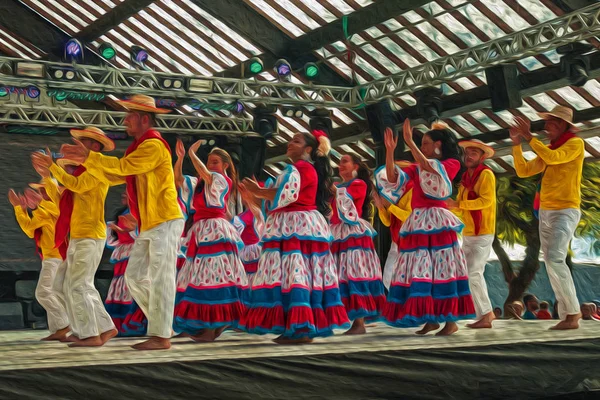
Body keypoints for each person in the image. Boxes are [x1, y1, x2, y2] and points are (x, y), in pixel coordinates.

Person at [60, 95, 184, 350]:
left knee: (161, 276)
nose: (125, 120)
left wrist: (89, 159)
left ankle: (161, 336)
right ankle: (164, 327)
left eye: (130, 115)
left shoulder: (153, 146)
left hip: (166, 218)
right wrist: (87, 161)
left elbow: (123, 168)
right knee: (135, 276)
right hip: (152, 223)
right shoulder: (139, 147)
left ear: (144, 119)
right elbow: (117, 173)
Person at [239, 130, 350, 344]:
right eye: (291, 139)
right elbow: (283, 193)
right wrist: (258, 193)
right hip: (293, 223)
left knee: (295, 273)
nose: (290, 143)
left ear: (308, 149)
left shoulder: (303, 168)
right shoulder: (298, 168)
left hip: (296, 224)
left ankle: (302, 328)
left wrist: (258, 192)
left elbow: (287, 194)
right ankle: (298, 326)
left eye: (296, 141)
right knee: (294, 274)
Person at [375, 120, 475, 336]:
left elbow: (431, 167)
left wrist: (410, 142)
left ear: (439, 145)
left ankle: (450, 320)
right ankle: (430, 318)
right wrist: (390, 152)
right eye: (422, 144)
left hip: (437, 221)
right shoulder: (418, 166)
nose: (423, 147)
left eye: (426, 144)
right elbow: (392, 178)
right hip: (419, 221)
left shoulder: (451, 163)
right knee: (421, 270)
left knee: (443, 269)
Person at [31, 128, 118, 347]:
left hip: (89, 235)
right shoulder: (85, 172)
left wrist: (52, 167)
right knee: (73, 284)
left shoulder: (97, 170)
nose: (77, 146)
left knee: (77, 284)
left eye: (83, 143)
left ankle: (90, 334)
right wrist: (46, 174)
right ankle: (105, 328)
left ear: (95, 147)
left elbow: (75, 185)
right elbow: (62, 193)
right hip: (82, 235)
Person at [510, 105, 584, 330]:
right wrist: (516, 145)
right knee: (551, 262)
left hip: (565, 210)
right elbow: (523, 171)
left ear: (563, 125)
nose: (546, 129)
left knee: (554, 259)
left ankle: (573, 313)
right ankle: (567, 314)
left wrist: (530, 138)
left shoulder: (575, 144)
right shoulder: (550, 148)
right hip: (546, 211)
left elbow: (552, 157)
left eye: (550, 124)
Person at [173, 143, 247, 342]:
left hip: (214, 229)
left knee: (212, 277)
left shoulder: (222, 179)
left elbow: (206, 174)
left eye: (215, 162)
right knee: (196, 277)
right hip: (200, 229)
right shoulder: (199, 182)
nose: (210, 165)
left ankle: (212, 325)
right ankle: (205, 324)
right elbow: (178, 180)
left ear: (225, 165)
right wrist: (181, 158)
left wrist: (191, 154)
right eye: (209, 161)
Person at [9, 181, 69, 341]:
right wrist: (20, 209)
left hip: (56, 257)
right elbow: (30, 230)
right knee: (55, 293)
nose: (39, 194)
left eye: (42, 191)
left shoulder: (57, 207)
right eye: (38, 192)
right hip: (53, 257)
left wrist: (37, 204)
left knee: (43, 292)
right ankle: (60, 330)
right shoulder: (43, 211)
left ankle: (64, 325)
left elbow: (58, 213)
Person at [331, 154, 384, 335]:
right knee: (339, 274)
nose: (340, 165)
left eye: (345, 161)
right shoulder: (338, 187)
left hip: (353, 232)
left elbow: (346, 204)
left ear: (356, 166)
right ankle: (347, 318)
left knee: (354, 272)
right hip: (337, 232)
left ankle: (359, 322)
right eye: (339, 162)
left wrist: (332, 188)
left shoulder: (358, 184)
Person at [447, 139, 497, 329]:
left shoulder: (486, 175)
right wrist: (448, 207)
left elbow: (485, 201)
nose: (468, 156)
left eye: (473, 153)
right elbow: (461, 208)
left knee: (473, 272)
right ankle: (483, 314)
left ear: (482, 157)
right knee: (468, 274)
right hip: (468, 233)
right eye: (467, 153)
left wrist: (457, 205)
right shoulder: (465, 180)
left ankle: (486, 314)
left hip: (482, 231)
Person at [104, 193, 147, 336]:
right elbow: (113, 239)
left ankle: (132, 322)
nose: (123, 197)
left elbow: (141, 232)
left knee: (130, 284)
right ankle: (117, 324)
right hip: (122, 253)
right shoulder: (121, 213)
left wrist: (127, 230)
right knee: (119, 286)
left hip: (134, 251)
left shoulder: (139, 211)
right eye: (122, 195)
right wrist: (115, 231)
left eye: (127, 195)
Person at [373, 161, 413, 291]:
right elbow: (388, 222)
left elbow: (410, 218)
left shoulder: (412, 191)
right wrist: (380, 205)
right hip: (396, 241)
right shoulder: (394, 194)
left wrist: (390, 206)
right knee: (388, 278)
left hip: (410, 241)